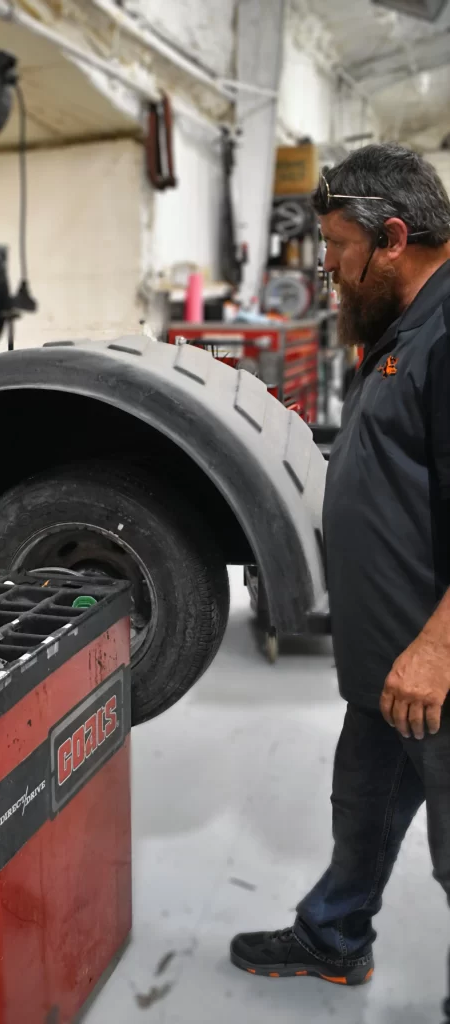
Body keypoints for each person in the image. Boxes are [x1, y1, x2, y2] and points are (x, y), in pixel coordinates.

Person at [230, 143, 450, 1023]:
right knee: (360, 807)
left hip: (433, 667)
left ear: (391, 237)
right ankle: (333, 934)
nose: (325, 271)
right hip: (386, 661)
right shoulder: (401, 326)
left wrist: (435, 651)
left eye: (334, 250)